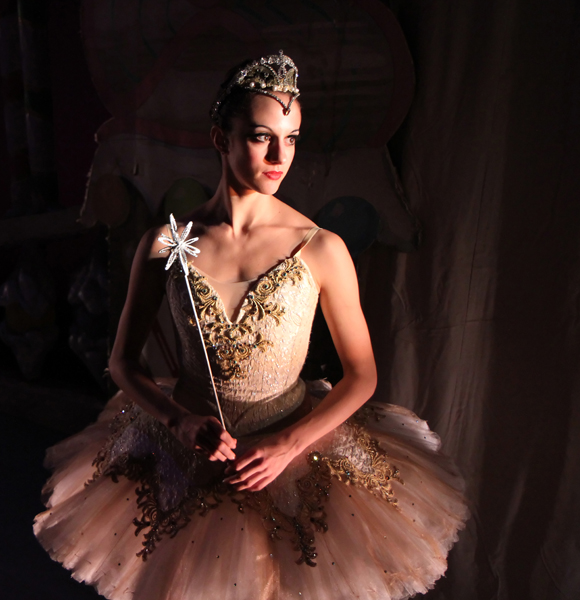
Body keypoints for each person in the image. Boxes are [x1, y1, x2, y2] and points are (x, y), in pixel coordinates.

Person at [34, 51, 468, 600]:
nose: (279, 155)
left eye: (292, 138)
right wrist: (177, 421)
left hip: (289, 449)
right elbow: (123, 363)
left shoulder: (320, 248)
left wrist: (287, 445)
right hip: (187, 450)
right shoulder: (169, 243)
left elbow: (362, 376)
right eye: (262, 136)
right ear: (221, 138)